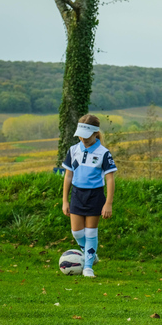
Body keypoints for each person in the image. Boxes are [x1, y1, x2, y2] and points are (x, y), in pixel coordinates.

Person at [62, 114, 117, 278]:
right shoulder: (73, 150)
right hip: (77, 195)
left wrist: (108, 203)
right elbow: (68, 176)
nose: (83, 139)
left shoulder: (104, 153)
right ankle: (91, 254)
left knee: (91, 233)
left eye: (86, 136)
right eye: (80, 135)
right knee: (77, 233)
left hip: (95, 196)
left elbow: (110, 179)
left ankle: (88, 267)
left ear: (95, 133)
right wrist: (65, 200)